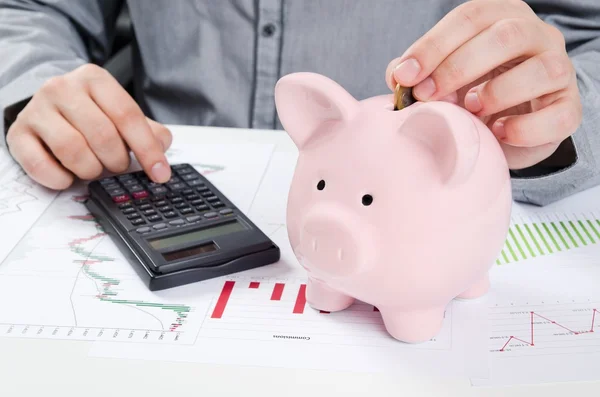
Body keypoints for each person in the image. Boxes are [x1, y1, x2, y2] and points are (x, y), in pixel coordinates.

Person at [0, 0, 598, 206]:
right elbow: (34, 9)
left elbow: (587, 36)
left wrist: (546, 126)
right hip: (158, 172)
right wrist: (35, 88)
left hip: (440, 184)